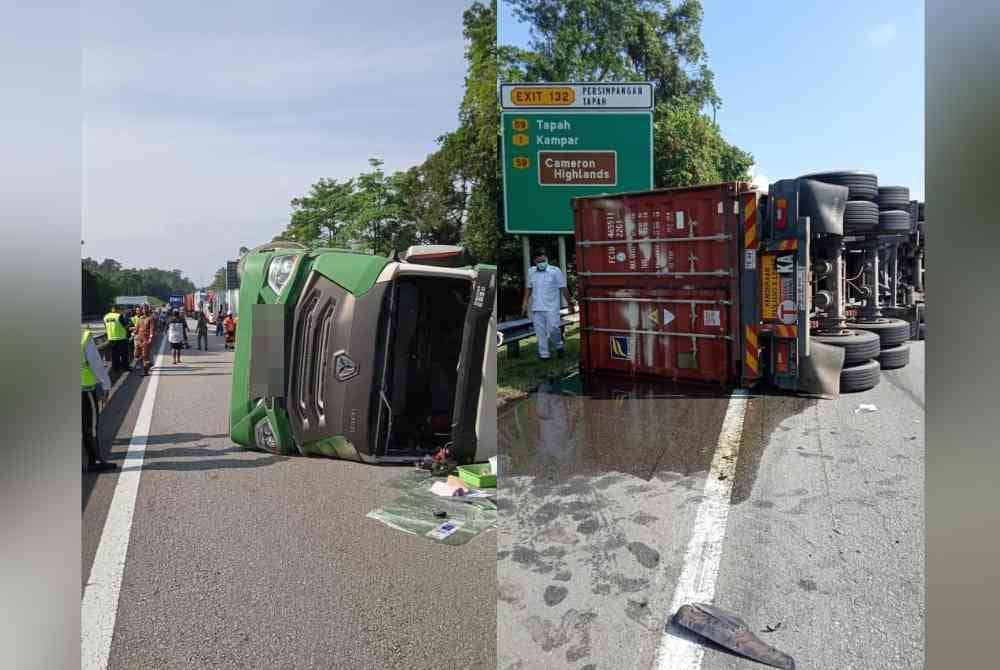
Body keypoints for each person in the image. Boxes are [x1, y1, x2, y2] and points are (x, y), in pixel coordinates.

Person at [521, 250, 575, 360]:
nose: (542, 263)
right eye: (539, 261)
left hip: (552, 307)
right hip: (537, 307)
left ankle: (559, 346)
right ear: (535, 262)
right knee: (540, 332)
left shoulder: (555, 271)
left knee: (553, 328)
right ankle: (544, 355)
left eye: (543, 260)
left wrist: (570, 304)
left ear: (547, 259)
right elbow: (529, 287)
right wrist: (525, 302)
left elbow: (563, 287)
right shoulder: (531, 271)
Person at [82, 327, 117, 473]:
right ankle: (94, 461)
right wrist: (106, 385)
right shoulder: (83, 336)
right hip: (84, 390)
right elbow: (96, 363)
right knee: (90, 427)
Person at [102, 304, 130, 372]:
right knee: (124, 355)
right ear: (117, 309)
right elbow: (125, 326)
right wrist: (128, 325)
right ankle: (125, 368)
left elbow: (106, 327)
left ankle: (115, 369)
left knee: (114, 356)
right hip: (121, 338)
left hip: (111, 339)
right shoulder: (119, 316)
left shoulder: (105, 317)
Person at [133, 305, 155, 376]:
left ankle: (145, 371)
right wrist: (133, 333)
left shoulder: (150, 318)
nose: (144, 310)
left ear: (148, 310)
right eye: (143, 309)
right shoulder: (140, 318)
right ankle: (149, 363)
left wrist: (150, 338)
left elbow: (152, 329)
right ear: (141, 310)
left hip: (146, 339)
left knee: (145, 355)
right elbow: (137, 328)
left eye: (146, 309)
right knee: (136, 354)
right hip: (139, 338)